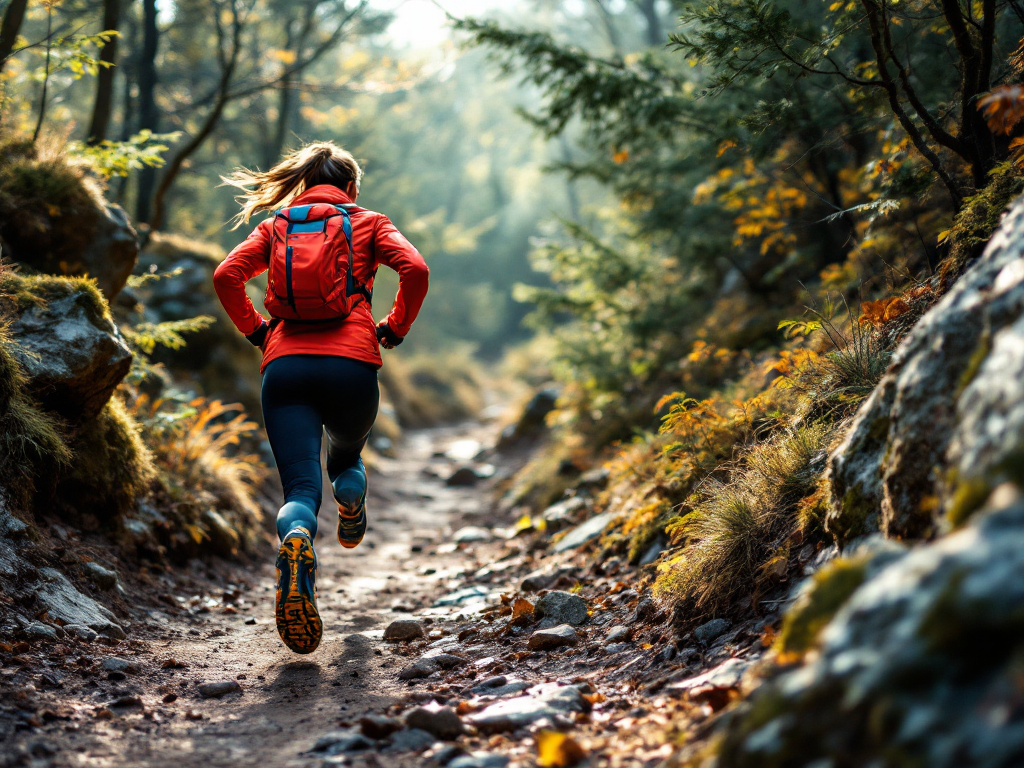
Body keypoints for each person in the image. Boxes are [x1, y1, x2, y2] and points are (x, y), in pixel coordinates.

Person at [213, 141, 429, 654]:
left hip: (284, 366)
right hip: (353, 365)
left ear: (305, 185)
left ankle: (297, 541)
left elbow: (226, 276)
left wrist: (257, 332)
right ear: (352, 187)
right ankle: (351, 501)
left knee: (300, 493)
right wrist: (394, 326)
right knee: (347, 455)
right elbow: (415, 271)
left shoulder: (276, 226)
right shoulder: (370, 222)